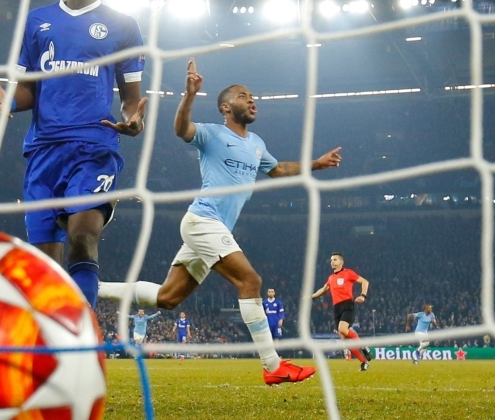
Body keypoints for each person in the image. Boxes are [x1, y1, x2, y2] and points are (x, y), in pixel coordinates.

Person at [99, 60, 342, 386]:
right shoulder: (212, 135)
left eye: (253, 96)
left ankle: (89, 287)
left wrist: (317, 164)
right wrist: (189, 96)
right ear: (226, 107)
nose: (252, 100)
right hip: (203, 221)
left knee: (168, 298)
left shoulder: (256, 143)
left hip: (214, 228)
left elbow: (279, 169)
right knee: (250, 281)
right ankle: (272, 366)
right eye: (244, 96)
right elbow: (181, 130)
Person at [0, 0, 147, 310]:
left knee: (81, 237)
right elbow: (29, 90)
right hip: (43, 151)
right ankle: (50, 344)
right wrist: (7, 101)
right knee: (44, 263)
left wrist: (132, 119)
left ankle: (84, 340)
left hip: (94, 147)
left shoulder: (122, 25)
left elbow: (129, 98)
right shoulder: (37, 20)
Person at [312, 253, 372, 371]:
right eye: (331, 260)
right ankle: (364, 362)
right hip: (336, 308)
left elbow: (365, 282)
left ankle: (364, 347)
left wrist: (363, 296)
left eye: (335, 260)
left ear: (341, 262)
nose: (332, 262)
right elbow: (323, 290)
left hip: (347, 304)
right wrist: (312, 296)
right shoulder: (330, 278)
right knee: (345, 340)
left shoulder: (348, 273)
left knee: (342, 329)